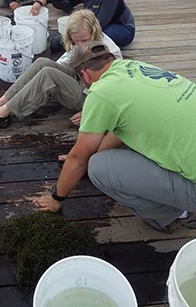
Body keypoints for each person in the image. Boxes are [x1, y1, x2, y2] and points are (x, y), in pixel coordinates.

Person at [33, 41, 196, 233]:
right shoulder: (135, 67)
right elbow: (121, 132)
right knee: (113, 151)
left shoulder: (101, 92)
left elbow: (78, 159)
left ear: (84, 74)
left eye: (80, 80)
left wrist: (56, 198)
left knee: (99, 168)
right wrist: (82, 158)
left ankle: (172, 215)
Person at [0, 10, 122, 132]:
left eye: (84, 40)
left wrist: (90, 113)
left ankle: (3, 114)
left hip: (93, 99)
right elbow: (61, 63)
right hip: (81, 81)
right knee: (43, 63)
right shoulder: (79, 43)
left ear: (94, 32)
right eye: (76, 40)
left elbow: (116, 93)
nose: (79, 44)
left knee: (49, 75)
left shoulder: (110, 53)